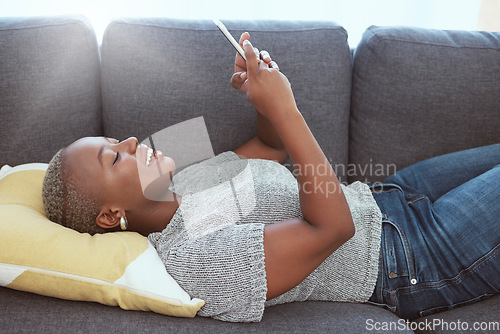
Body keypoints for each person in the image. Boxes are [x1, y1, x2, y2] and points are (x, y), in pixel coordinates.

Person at [41, 32, 500, 323]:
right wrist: (286, 107)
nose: (130, 142)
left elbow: (268, 148)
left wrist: (262, 102)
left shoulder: (183, 177)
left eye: (115, 140)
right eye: (114, 158)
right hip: (409, 257)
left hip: (389, 196)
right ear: (110, 216)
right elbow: (333, 230)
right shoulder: (190, 261)